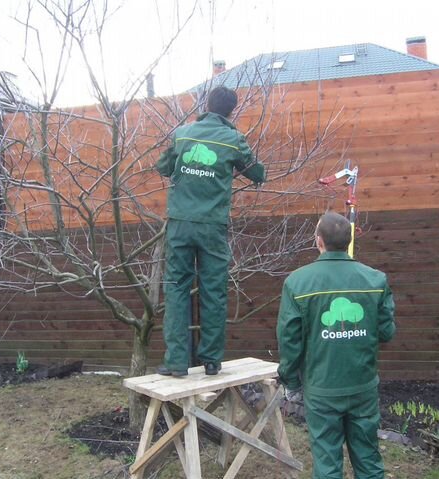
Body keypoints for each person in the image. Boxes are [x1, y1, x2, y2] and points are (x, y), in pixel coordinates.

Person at [155, 86, 266, 377]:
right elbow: (257, 173)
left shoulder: (182, 134)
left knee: (176, 288)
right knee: (214, 291)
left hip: (179, 223)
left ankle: (177, 362)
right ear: (231, 111)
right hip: (212, 227)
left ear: (207, 105)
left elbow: (163, 166)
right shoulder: (233, 140)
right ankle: (212, 360)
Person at [277, 212, 396, 479]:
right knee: (368, 459)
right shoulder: (376, 280)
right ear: (349, 241)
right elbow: (387, 332)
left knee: (327, 462)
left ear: (318, 241)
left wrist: (290, 381)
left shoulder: (297, 282)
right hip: (362, 384)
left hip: (321, 389)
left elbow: (289, 339)